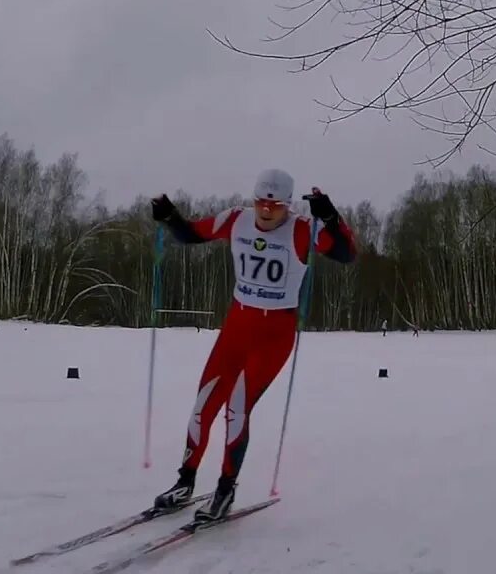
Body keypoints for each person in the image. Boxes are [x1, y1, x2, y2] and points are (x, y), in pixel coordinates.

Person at [149, 169, 357, 522]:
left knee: (237, 408)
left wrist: (330, 215)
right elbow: (191, 235)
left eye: (275, 204)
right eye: (261, 201)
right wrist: (170, 217)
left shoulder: (303, 229)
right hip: (237, 326)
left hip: (274, 332)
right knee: (203, 405)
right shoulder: (236, 219)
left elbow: (347, 254)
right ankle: (185, 481)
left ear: (288, 206)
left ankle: (225, 489)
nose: (265, 210)